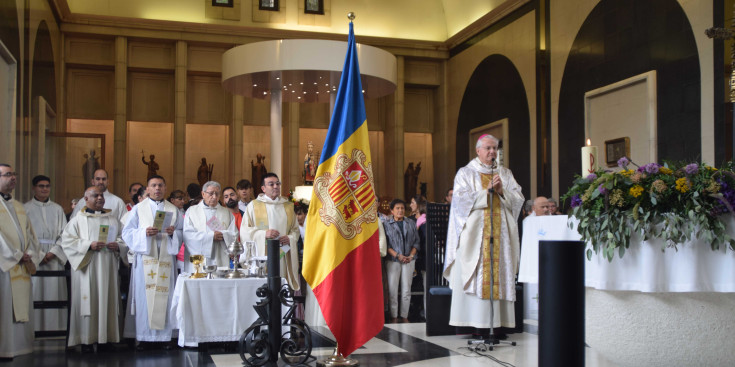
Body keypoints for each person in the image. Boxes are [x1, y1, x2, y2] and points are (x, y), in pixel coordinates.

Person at [444, 134, 524, 333]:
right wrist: (486, 192)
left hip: (501, 237)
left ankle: (498, 325)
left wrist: (502, 191)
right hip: (475, 236)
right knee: (476, 273)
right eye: (488, 148)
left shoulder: (505, 173)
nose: (492, 152)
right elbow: (460, 201)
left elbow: (519, 197)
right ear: (478, 151)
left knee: (500, 274)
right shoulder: (466, 173)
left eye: (495, 148)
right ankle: (476, 325)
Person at [61, 186, 127, 352]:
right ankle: (86, 339)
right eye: (95, 195)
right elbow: (67, 241)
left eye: (101, 195)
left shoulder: (112, 219)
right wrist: (88, 245)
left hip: (108, 266)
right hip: (86, 267)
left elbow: (124, 239)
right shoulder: (77, 220)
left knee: (108, 298)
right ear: (86, 199)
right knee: (88, 300)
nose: (99, 198)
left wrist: (117, 246)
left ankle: (108, 338)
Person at [122, 175, 183, 349]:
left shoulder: (174, 209)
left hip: (166, 258)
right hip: (146, 259)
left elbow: (181, 232)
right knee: (144, 298)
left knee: (167, 297)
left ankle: (165, 338)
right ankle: (144, 337)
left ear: (165, 188)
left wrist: (173, 233)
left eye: (160, 185)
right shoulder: (138, 209)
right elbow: (127, 232)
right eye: (154, 185)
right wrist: (143, 234)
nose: (157, 189)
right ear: (147, 189)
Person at [0, 164, 42, 359]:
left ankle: (20, 346)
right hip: (4, 266)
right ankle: (4, 348)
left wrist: (30, 253)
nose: (13, 178)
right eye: (8, 174)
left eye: (14, 174)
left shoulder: (18, 206)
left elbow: (30, 234)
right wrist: (16, 255)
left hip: (21, 264)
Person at [240, 173, 300, 290]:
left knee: (281, 287)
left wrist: (290, 238)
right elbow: (244, 231)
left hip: (283, 253)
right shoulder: (253, 206)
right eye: (271, 184)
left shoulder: (288, 206)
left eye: (277, 183)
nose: (275, 186)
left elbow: (295, 230)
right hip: (262, 254)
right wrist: (263, 234)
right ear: (263, 188)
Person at [24, 175, 68, 334]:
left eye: (47, 186)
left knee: (53, 293)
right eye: (41, 186)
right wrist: (39, 255)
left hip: (53, 257)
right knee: (36, 293)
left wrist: (53, 252)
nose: (44, 189)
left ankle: (55, 329)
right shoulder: (25, 208)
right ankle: (33, 330)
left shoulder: (57, 209)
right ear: (34, 188)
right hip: (34, 258)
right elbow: (24, 235)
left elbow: (65, 234)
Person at [183, 181, 237, 272]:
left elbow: (234, 234)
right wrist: (211, 237)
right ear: (203, 194)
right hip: (200, 258)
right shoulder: (192, 211)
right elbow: (188, 235)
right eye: (211, 193)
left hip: (220, 256)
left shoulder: (226, 213)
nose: (214, 197)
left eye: (217, 194)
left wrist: (224, 235)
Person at [383, 199, 420, 323]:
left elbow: (416, 242)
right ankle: (394, 316)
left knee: (406, 289)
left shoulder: (410, 223)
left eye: (402, 208)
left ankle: (404, 315)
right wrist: (398, 255)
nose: (400, 210)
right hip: (393, 260)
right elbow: (386, 244)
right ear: (392, 210)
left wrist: (410, 256)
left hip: (409, 260)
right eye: (397, 208)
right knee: (393, 289)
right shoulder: (386, 223)